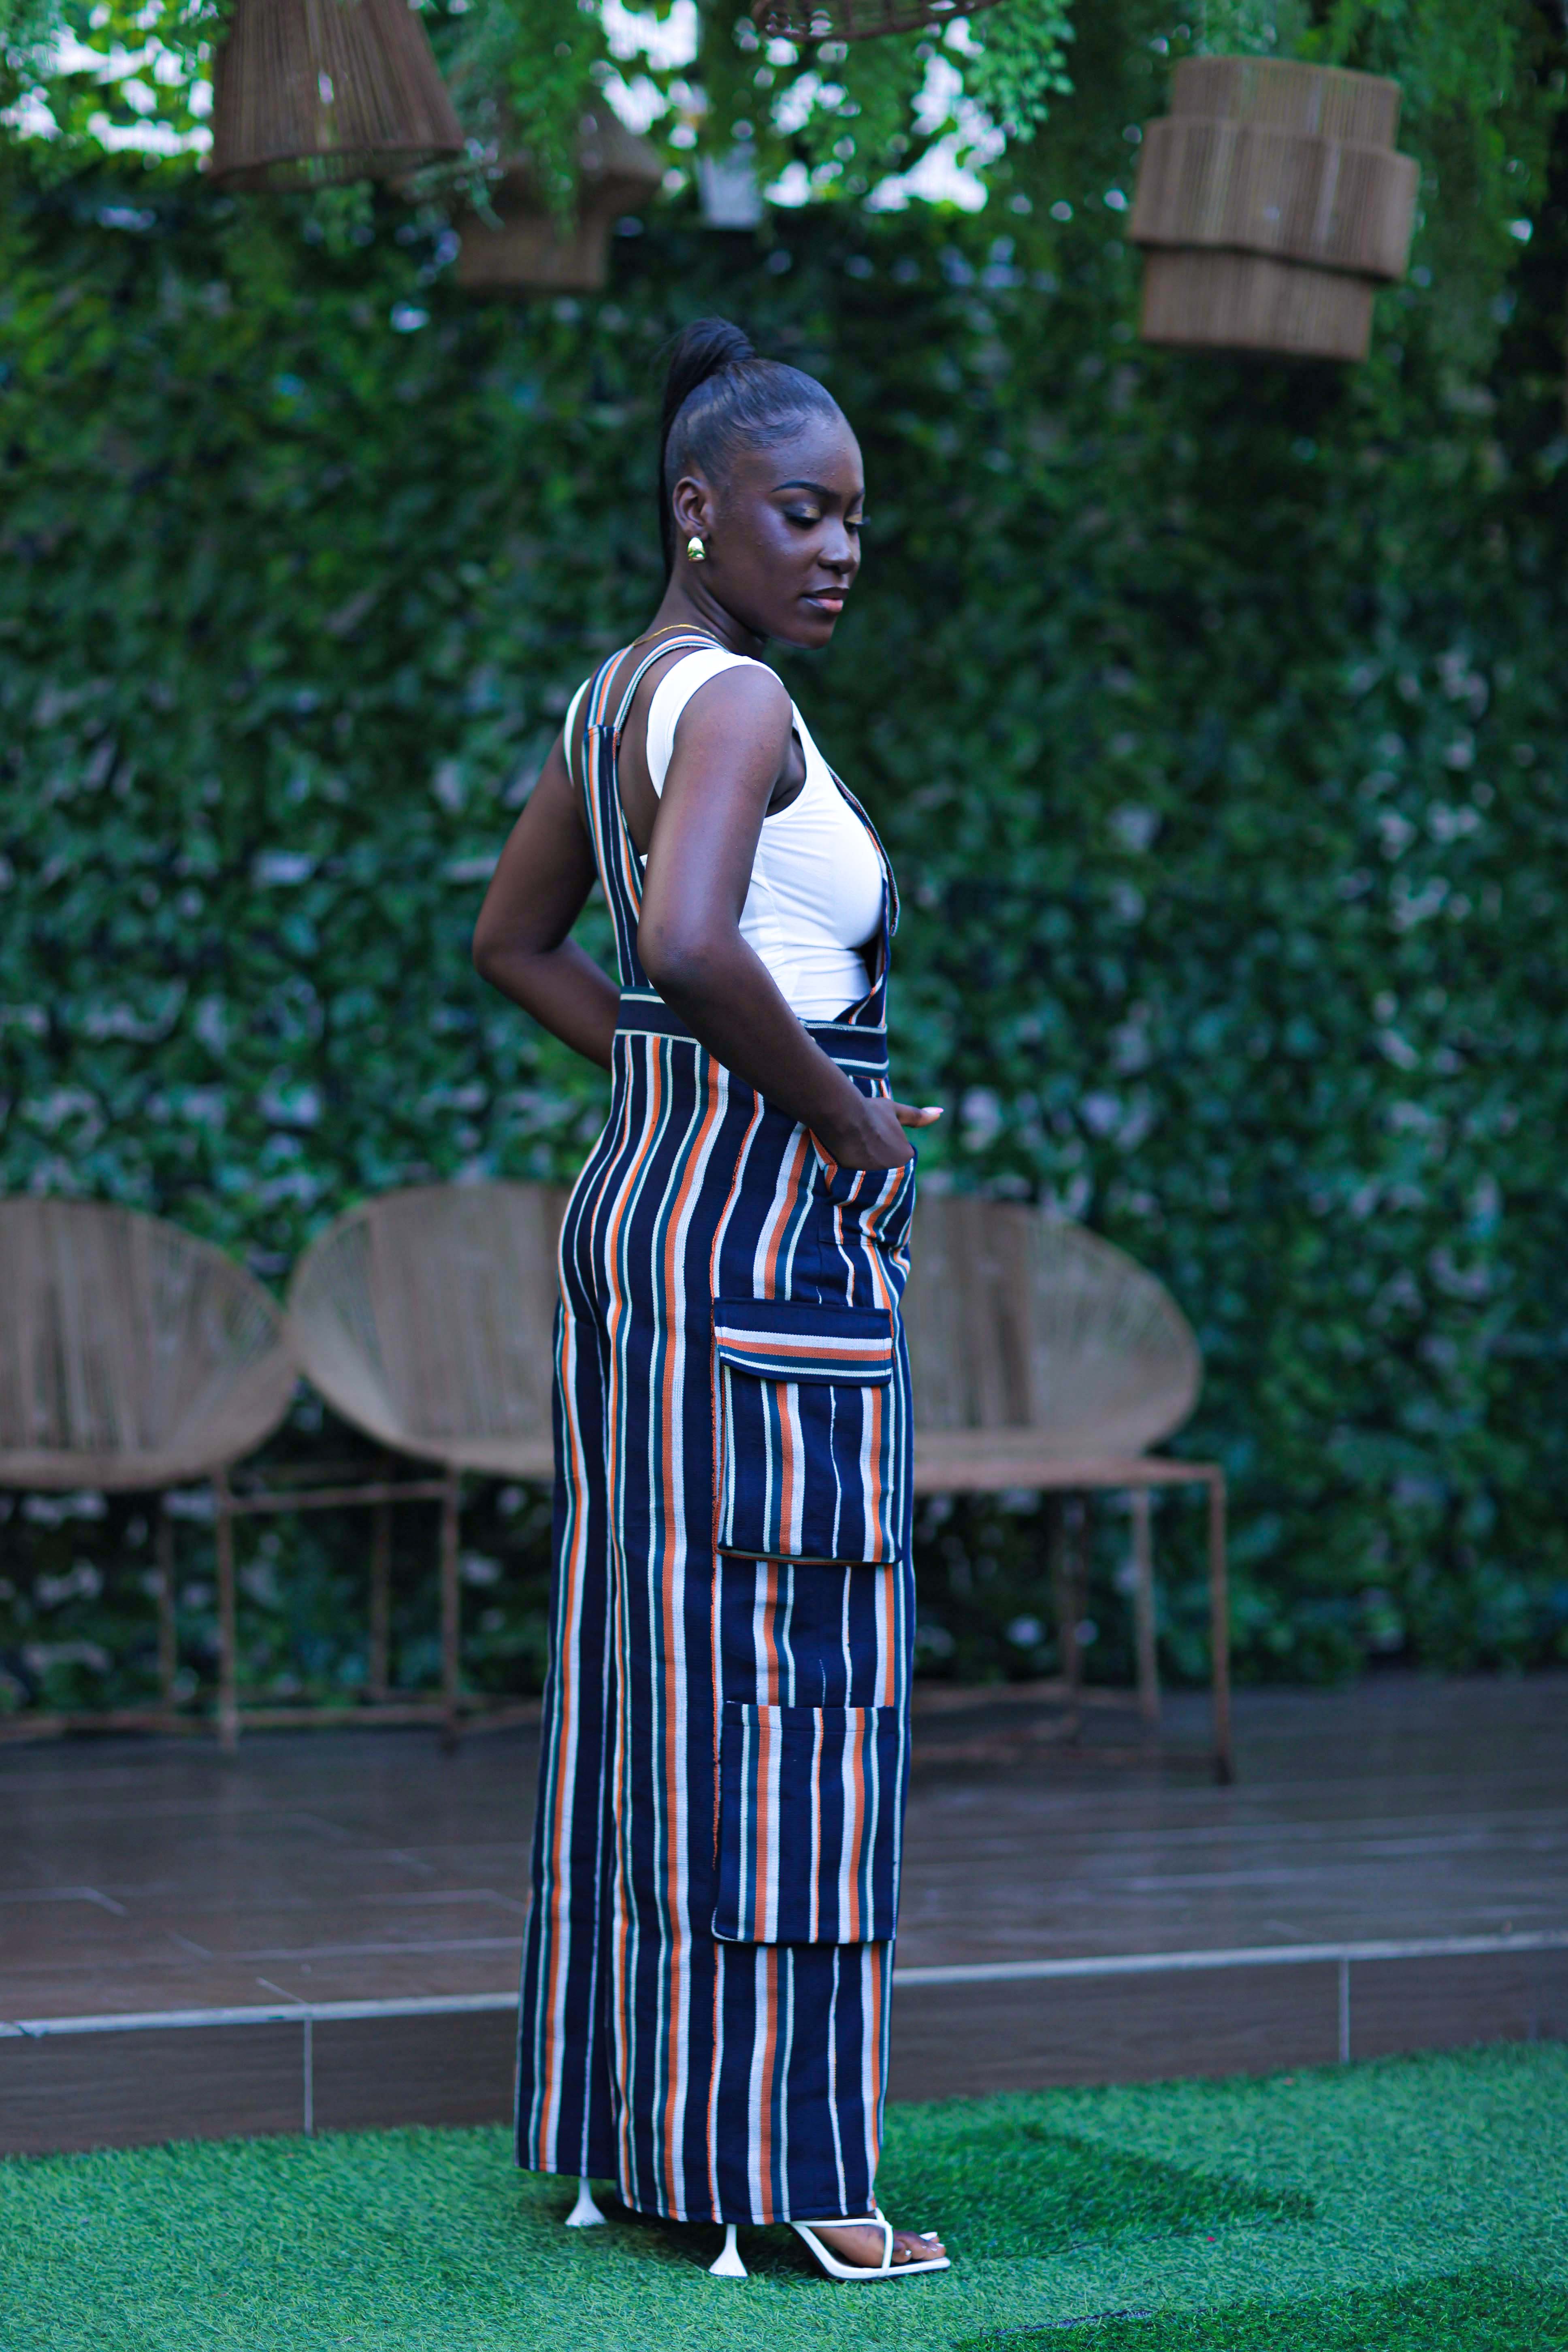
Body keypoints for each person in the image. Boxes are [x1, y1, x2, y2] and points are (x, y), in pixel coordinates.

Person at [473, 317, 946, 2284]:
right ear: (700, 514)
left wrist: (662, 1083)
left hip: (648, 1226)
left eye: (851, 520)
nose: (837, 549)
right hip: (764, 1246)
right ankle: (789, 2181)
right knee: (791, 1681)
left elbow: (514, 942)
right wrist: (851, 1131)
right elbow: (678, 935)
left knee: (652, 1673)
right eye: (800, 512)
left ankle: (644, 2145)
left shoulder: (617, 697)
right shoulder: (733, 698)